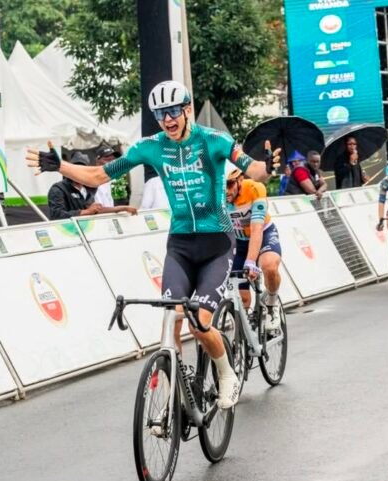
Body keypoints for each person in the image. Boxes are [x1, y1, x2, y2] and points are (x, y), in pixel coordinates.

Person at [27, 80, 280, 409]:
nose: (167, 119)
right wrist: (59, 165)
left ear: (187, 110)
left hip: (216, 243)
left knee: (200, 324)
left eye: (173, 111)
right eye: (160, 114)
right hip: (180, 245)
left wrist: (267, 167)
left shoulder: (214, 140)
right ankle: (174, 391)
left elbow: (253, 169)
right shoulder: (151, 147)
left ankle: (226, 371)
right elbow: (99, 175)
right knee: (171, 317)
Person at [225, 164, 283, 330]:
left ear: (240, 179)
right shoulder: (215, 195)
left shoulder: (255, 189)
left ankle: (272, 303)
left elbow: (257, 229)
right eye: (221, 186)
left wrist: (251, 261)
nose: (226, 191)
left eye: (229, 184)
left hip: (263, 233)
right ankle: (243, 335)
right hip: (238, 241)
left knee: (269, 266)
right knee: (242, 299)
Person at [47, 152, 137, 220]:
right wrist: (87, 211)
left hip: (88, 230)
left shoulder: (90, 187)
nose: (78, 172)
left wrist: (122, 208)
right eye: (76, 168)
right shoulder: (58, 189)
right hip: (68, 233)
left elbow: (96, 210)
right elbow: (56, 215)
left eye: (82, 169)